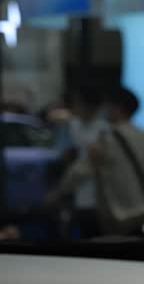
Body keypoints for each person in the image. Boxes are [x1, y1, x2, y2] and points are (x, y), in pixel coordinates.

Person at [55, 88, 144, 237]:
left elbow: (80, 170)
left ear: (117, 108)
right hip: (139, 209)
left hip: (118, 212)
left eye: (108, 106)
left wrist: (59, 192)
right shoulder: (140, 135)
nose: (104, 110)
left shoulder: (106, 139)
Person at [47, 87, 110, 238]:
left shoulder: (105, 130)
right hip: (80, 191)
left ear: (90, 106)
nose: (75, 107)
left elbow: (87, 165)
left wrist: (60, 190)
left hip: (98, 194)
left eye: (78, 103)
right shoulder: (75, 124)